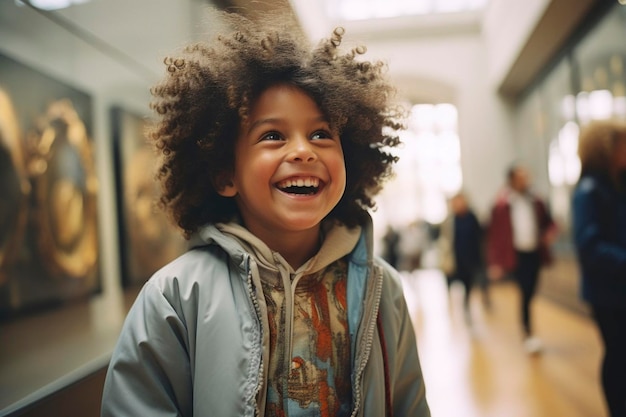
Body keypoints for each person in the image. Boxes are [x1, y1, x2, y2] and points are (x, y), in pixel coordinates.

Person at [100, 11, 430, 417]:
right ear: (225, 174)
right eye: (273, 135)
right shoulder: (176, 297)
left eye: (321, 134)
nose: (303, 150)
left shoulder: (383, 289)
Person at [572, 119, 626, 417]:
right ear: (606, 149)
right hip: (607, 291)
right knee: (618, 355)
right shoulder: (589, 190)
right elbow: (589, 246)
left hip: (619, 285)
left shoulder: (617, 184)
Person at [486, 163, 557, 353]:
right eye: (520, 176)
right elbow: (496, 236)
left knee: (531, 290)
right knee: (525, 291)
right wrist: (495, 262)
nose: (525, 179)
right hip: (517, 256)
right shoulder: (502, 205)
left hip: (534, 252)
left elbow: (549, 223)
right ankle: (528, 332)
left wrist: (550, 234)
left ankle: (528, 329)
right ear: (512, 180)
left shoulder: (536, 200)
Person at [439, 192, 488, 321]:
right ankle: (452, 305)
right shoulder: (450, 220)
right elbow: (445, 241)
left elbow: (480, 238)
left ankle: (467, 310)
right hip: (456, 260)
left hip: (471, 259)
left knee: (469, 286)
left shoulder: (472, 217)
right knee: (453, 283)